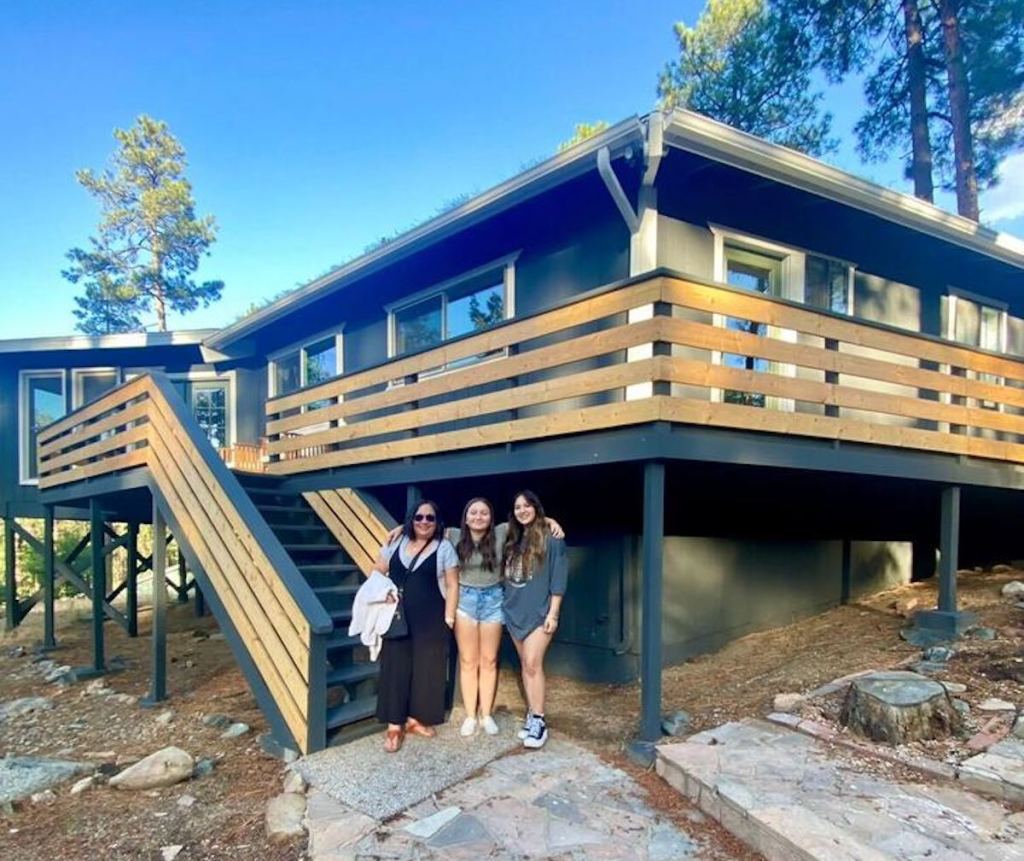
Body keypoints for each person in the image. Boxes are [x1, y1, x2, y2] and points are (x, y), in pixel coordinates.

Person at [447, 498, 564, 738]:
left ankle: (486, 714)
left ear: (492, 517)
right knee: (468, 661)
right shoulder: (452, 535)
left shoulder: (502, 532)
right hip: (465, 600)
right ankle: (471, 716)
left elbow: (529, 519)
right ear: (465, 516)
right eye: (473, 512)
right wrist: (399, 529)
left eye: (484, 513)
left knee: (489, 660)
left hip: (493, 600)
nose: (478, 517)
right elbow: (421, 530)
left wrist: (550, 520)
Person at [371, 499, 459, 753]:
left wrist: (449, 618)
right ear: (411, 519)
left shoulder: (444, 548)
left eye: (430, 518)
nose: (424, 522)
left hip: (431, 618)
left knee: (427, 669)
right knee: (395, 667)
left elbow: (453, 584)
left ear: (437, 522)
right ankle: (394, 725)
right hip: (396, 615)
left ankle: (416, 719)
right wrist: (381, 590)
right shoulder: (395, 542)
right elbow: (378, 569)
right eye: (418, 517)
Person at [503, 490, 567, 749]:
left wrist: (553, 613)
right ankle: (532, 715)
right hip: (514, 611)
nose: (522, 510)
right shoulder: (512, 537)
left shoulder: (552, 538)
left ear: (536, 507)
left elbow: (558, 577)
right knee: (525, 666)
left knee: (532, 663)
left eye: (528, 505)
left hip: (540, 613)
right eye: (518, 507)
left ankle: (539, 721)